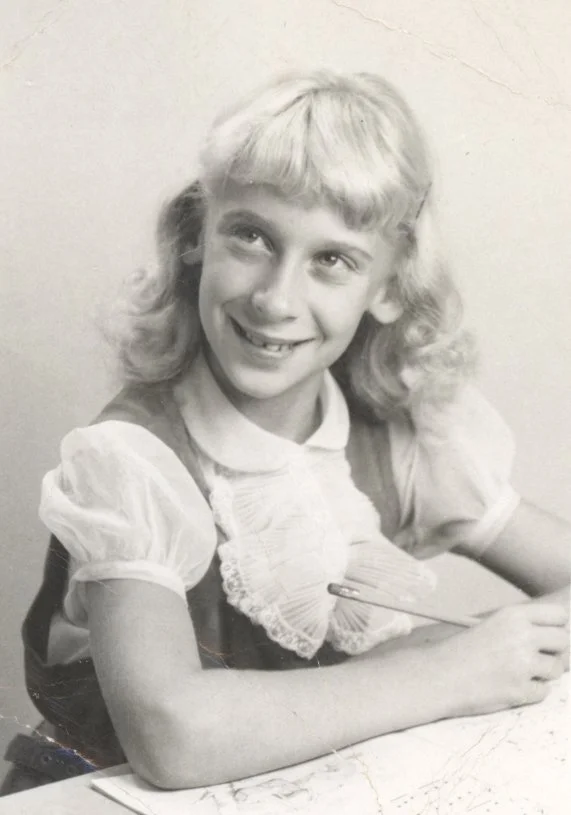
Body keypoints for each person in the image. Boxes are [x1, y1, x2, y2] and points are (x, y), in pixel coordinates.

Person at [3, 70, 569, 794]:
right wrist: (445, 669)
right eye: (250, 236)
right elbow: (173, 736)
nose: (275, 298)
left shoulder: (402, 440)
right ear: (194, 237)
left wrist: (492, 648)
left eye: (331, 259)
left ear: (391, 286)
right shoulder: (134, 458)